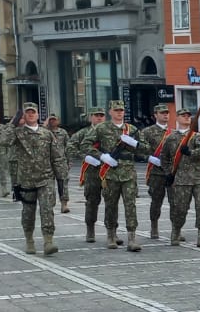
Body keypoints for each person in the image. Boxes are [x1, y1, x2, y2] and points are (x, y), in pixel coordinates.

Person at [10, 103, 62, 256]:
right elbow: (2, 141)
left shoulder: (47, 134)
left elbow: (57, 157)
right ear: (24, 116)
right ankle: (29, 240)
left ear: (38, 115)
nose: (31, 115)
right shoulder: (17, 133)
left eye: (33, 112)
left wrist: (61, 178)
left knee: (47, 209)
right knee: (28, 212)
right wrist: (12, 123)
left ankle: (48, 241)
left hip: (45, 178)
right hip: (26, 180)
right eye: (28, 113)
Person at [91, 100, 144, 252]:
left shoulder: (132, 129)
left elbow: (145, 149)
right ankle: (111, 235)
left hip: (128, 173)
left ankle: (132, 238)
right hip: (110, 173)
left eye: (121, 110)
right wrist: (101, 156)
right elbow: (86, 145)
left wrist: (135, 144)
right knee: (111, 205)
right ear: (110, 112)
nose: (119, 112)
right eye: (116, 110)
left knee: (130, 205)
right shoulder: (101, 128)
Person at [162, 106, 200, 247]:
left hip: (199, 178)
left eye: (188, 116)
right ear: (177, 118)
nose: (186, 117)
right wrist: (168, 173)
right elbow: (164, 157)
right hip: (181, 179)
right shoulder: (171, 138)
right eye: (183, 115)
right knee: (180, 208)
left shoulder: (196, 136)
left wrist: (190, 152)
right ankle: (176, 231)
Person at [137, 103, 172, 236]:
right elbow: (139, 151)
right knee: (156, 201)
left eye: (167, 113)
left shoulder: (173, 132)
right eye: (162, 113)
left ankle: (176, 228)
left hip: (170, 173)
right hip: (156, 172)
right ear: (155, 115)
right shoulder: (147, 132)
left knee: (175, 201)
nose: (165, 115)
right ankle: (154, 226)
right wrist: (149, 158)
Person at [73, 106, 107, 242]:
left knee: (111, 202)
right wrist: (85, 157)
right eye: (96, 115)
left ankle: (112, 231)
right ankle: (90, 229)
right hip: (92, 173)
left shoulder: (109, 131)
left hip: (108, 172)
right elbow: (70, 147)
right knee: (92, 202)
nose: (99, 118)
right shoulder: (83, 133)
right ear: (90, 117)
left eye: (101, 115)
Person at [45, 115, 71, 212]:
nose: (52, 122)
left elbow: (68, 147)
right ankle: (50, 205)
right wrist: (45, 125)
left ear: (58, 121)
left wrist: (69, 161)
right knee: (49, 185)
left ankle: (64, 204)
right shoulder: (44, 132)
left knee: (63, 183)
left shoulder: (63, 132)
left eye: (54, 120)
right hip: (47, 162)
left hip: (61, 161)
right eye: (50, 120)